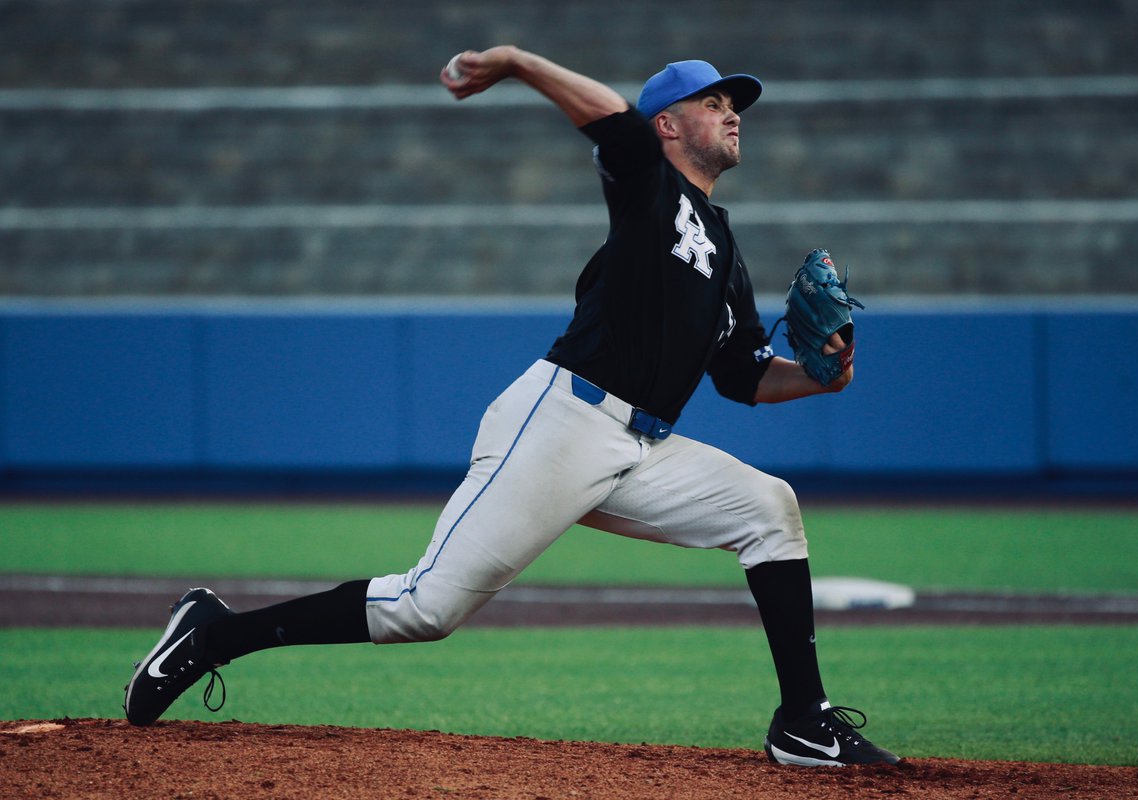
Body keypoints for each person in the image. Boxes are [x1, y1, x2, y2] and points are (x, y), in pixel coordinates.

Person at [123, 46, 899, 768]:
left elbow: (743, 375)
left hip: (643, 448)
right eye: (713, 101)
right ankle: (213, 635)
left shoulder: (725, 252)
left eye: (737, 104)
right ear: (669, 125)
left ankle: (803, 719)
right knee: (424, 609)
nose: (733, 112)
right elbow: (614, 123)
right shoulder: (651, 191)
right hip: (566, 422)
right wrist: (517, 62)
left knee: (769, 507)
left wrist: (819, 378)